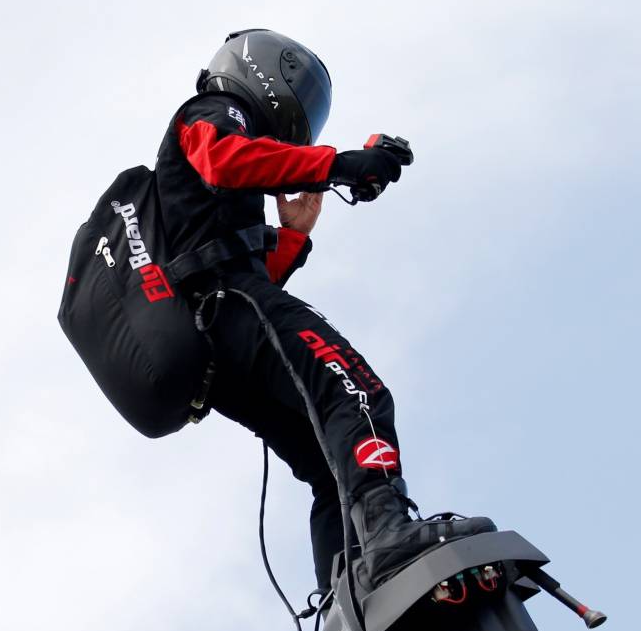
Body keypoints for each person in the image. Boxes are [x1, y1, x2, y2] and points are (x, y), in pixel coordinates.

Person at [158, 29, 494, 593]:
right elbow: (222, 157)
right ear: (267, 73)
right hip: (228, 308)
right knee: (357, 394)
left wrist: (292, 236)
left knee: (323, 464)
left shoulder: (215, 164)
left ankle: (351, 611)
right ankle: (387, 537)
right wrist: (335, 164)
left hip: (219, 339)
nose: (303, 112)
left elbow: (235, 270)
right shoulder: (213, 110)